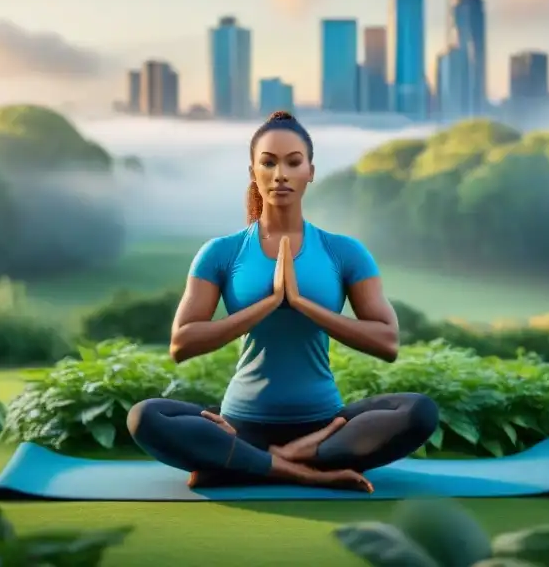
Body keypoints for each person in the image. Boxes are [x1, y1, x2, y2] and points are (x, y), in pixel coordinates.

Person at [126, 111, 439, 492]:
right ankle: (296, 469)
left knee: (418, 411)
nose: (280, 175)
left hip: (324, 430)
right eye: (269, 162)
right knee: (146, 416)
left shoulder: (345, 252)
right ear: (252, 171)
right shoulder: (221, 253)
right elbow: (182, 343)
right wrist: (270, 302)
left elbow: (387, 343)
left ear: (310, 171)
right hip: (239, 427)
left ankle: (250, 464)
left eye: (293, 162)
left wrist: (303, 304)